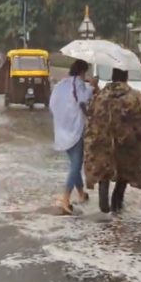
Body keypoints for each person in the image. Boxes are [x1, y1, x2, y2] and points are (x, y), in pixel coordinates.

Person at [84, 68, 141, 214]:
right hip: (125, 144)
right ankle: (117, 203)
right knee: (124, 173)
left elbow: (90, 113)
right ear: (126, 78)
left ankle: (104, 205)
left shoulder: (101, 95)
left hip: (102, 142)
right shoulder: (135, 97)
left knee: (104, 171)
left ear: (113, 78)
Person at [49, 60, 97, 214]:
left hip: (62, 129)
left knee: (74, 164)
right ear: (82, 71)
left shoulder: (62, 84)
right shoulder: (79, 84)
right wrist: (94, 86)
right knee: (76, 166)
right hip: (75, 130)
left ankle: (82, 194)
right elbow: (83, 100)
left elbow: (52, 104)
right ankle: (65, 199)